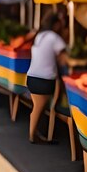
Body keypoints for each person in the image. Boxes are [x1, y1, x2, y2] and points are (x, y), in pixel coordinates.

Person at [26, 14, 67, 144]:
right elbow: (64, 60)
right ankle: (33, 136)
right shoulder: (55, 38)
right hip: (44, 79)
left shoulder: (40, 36)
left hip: (32, 77)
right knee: (39, 108)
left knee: (37, 108)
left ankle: (37, 134)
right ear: (55, 24)